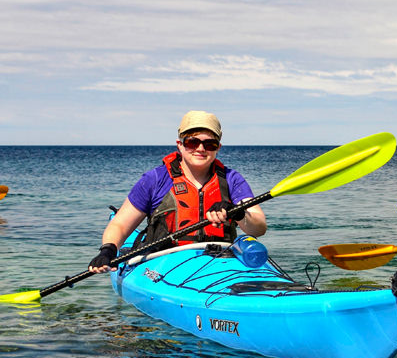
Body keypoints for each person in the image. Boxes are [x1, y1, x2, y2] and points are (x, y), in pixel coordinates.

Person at [89, 111, 268, 272]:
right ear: (180, 145)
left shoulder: (232, 180)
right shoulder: (156, 179)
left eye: (210, 144)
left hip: (221, 260)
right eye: (192, 142)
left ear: (218, 147)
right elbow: (120, 225)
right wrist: (108, 250)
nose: (200, 149)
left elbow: (258, 228)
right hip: (164, 262)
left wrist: (237, 213)